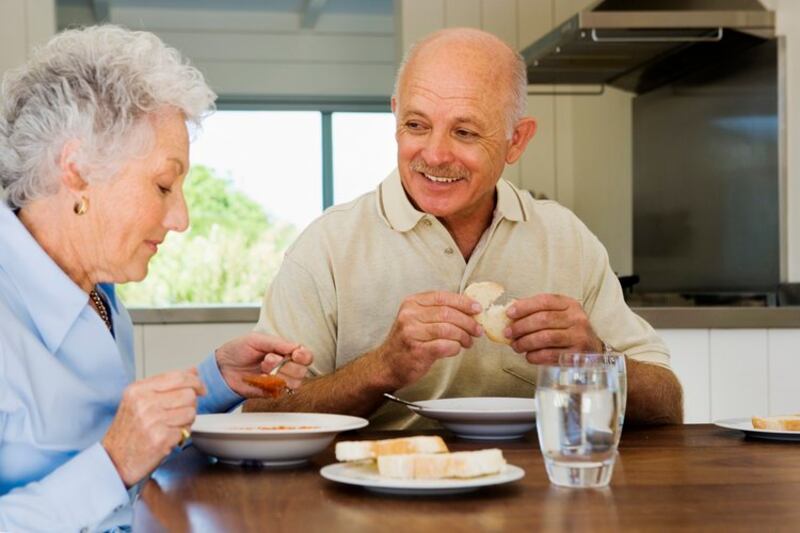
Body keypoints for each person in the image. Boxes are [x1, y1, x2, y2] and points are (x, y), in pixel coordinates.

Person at [245, 27, 682, 429]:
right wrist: (382, 367)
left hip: (538, 497)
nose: (434, 155)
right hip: (376, 496)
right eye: (416, 125)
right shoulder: (326, 247)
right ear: (395, 116)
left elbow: (668, 405)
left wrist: (595, 356)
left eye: (466, 132)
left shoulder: (565, 239)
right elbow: (261, 412)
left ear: (517, 141)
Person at [0, 26, 312, 531]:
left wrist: (213, 381)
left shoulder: (99, 296)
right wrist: (113, 464)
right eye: (164, 185)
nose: (181, 218)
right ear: (76, 170)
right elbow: (111, 459)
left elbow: (106, 439)